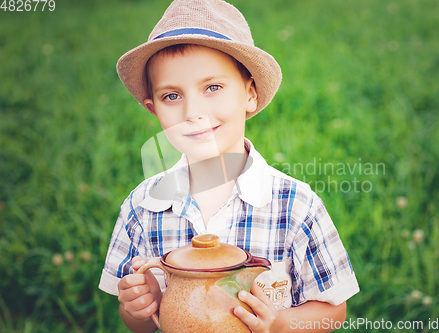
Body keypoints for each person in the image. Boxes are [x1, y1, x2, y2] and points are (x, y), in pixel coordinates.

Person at [99, 0, 359, 332]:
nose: (193, 111)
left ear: (249, 94)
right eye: (172, 96)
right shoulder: (142, 206)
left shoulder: (296, 206)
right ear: (154, 110)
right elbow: (139, 323)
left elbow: (332, 311)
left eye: (213, 88)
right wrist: (141, 307)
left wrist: (279, 324)